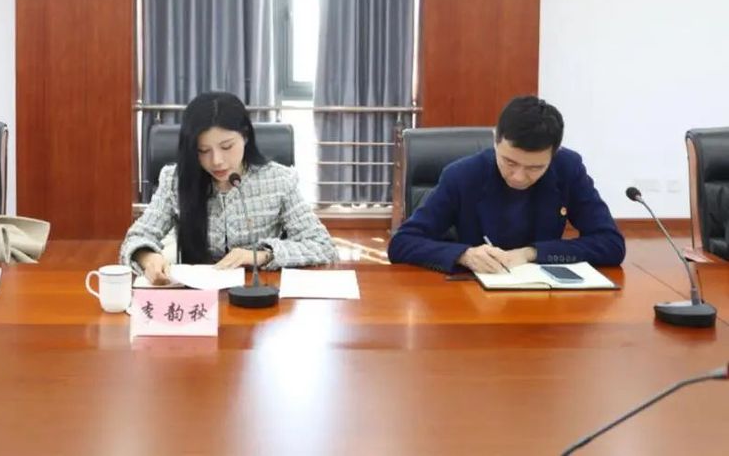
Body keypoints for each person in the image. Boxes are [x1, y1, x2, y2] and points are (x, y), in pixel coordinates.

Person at [388, 95, 625, 274]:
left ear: (554, 154)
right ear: (495, 140)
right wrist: (464, 255)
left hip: (544, 296)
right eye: (509, 162)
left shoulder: (568, 169)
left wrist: (532, 253)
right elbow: (402, 243)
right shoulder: (463, 175)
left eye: (535, 168)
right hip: (474, 297)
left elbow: (611, 244)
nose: (518, 177)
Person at [120, 91, 338, 283]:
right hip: (199, 297)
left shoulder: (278, 180)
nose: (217, 161)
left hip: (258, 293)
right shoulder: (174, 180)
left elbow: (322, 246)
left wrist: (261, 255)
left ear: (245, 136)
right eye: (203, 151)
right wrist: (148, 257)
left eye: (227, 147)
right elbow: (136, 237)